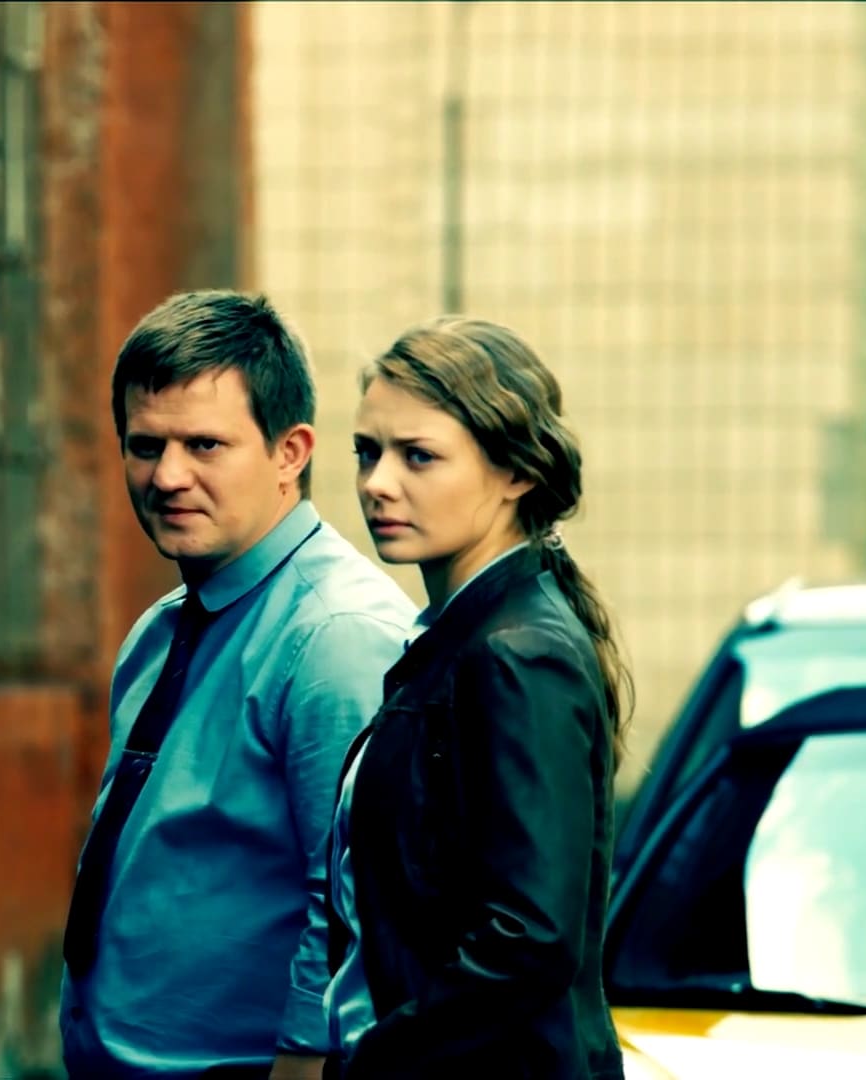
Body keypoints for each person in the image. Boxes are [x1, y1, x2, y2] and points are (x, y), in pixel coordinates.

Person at [60, 290, 417, 1079]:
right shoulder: (160, 632)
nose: (168, 476)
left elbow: (353, 905)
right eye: (145, 445)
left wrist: (303, 1060)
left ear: (290, 453)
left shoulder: (338, 636)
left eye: (205, 445)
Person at [324, 316, 629, 1078]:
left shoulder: (515, 653)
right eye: (367, 451)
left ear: (516, 472)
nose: (377, 483)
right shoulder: (462, 638)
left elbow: (530, 940)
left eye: (418, 456)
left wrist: (376, 1059)